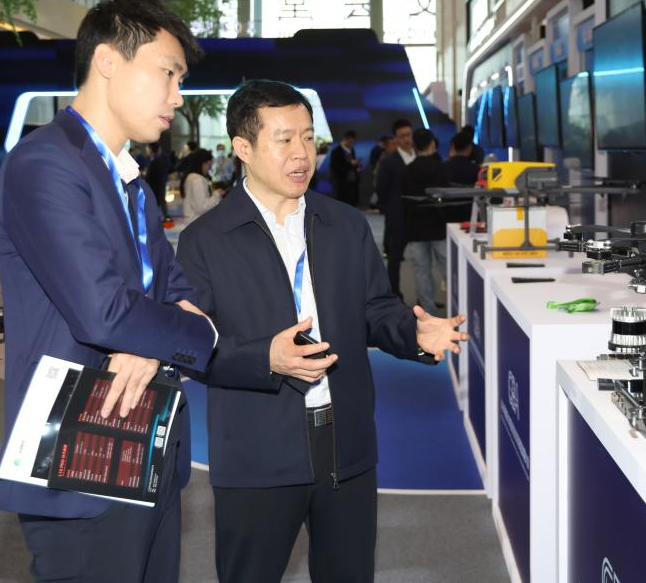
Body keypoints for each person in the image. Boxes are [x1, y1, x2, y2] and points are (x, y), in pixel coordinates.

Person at [176, 80, 466, 583]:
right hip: (258, 451)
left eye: (308, 138)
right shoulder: (205, 241)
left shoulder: (344, 225)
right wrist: (265, 358)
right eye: (284, 139)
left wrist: (413, 333)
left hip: (346, 444)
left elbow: (376, 308)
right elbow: (194, 346)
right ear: (243, 148)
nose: (302, 153)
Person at [0, 0, 217, 583]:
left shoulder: (131, 182)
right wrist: (177, 333)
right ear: (109, 61)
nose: (176, 95)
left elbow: (179, 290)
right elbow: (104, 313)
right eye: (167, 73)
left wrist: (159, 338)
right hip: (79, 457)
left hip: (146, 445)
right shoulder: (45, 165)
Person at [402, 128, 451, 315]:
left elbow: (404, 201)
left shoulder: (408, 170)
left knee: (421, 272)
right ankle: (457, 306)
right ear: (432, 144)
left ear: (414, 145)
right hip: (439, 227)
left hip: (416, 228)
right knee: (448, 270)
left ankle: (428, 311)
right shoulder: (441, 168)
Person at [374, 118, 416, 297]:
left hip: (420, 217)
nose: (406, 139)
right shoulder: (388, 162)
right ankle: (395, 296)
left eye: (408, 135)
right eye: (402, 136)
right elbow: (381, 190)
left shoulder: (421, 157)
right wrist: (391, 207)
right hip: (397, 217)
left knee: (423, 260)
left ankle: (424, 298)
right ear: (396, 138)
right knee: (394, 259)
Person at [181, 147, 222, 225]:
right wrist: (217, 195)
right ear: (202, 163)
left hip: (191, 221)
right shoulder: (198, 180)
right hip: (197, 222)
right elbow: (202, 207)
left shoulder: (190, 177)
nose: (209, 168)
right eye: (209, 165)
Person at [329, 130, 361, 206]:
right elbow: (336, 168)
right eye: (350, 141)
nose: (352, 144)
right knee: (342, 204)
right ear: (345, 139)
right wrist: (350, 164)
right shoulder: (336, 152)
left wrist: (357, 166)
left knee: (352, 203)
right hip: (342, 184)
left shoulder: (352, 150)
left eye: (353, 142)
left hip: (353, 182)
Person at [144, 141, 171, 218]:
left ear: (150, 149)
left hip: (155, 186)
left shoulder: (156, 160)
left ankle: (162, 217)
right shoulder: (155, 159)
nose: (146, 150)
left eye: (147, 148)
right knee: (160, 201)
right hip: (158, 185)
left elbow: (151, 176)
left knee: (158, 202)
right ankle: (164, 215)